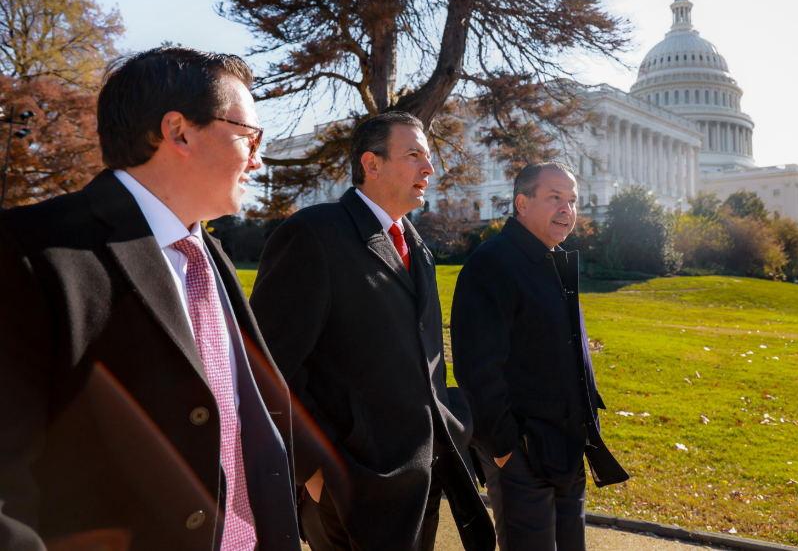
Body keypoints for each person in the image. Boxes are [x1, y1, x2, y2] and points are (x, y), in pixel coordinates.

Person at [0, 47, 304, 551]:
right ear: (178, 131)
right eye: (250, 135)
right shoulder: (26, 251)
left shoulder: (211, 256)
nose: (258, 157)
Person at [249, 112, 494, 551]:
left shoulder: (416, 245)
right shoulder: (312, 233)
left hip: (420, 482)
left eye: (428, 157)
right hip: (349, 490)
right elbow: (267, 362)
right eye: (414, 155)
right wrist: (314, 469)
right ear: (372, 163)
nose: (429, 168)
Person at [451, 161, 630, 551]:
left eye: (572, 200)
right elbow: (477, 371)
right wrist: (505, 451)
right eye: (554, 197)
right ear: (522, 203)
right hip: (521, 456)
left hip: (568, 447)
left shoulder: (556, 259)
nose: (567, 209)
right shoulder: (491, 263)